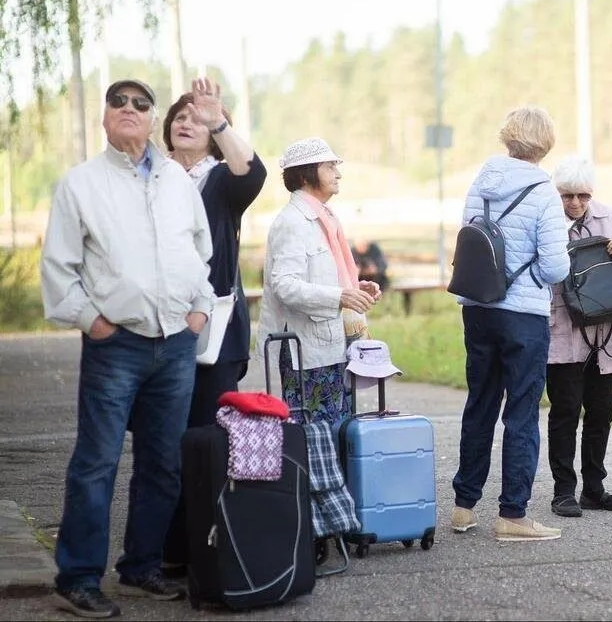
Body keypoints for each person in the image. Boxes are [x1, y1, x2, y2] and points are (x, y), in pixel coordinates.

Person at [40, 78, 215, 618]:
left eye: (141, 103)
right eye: (119, 101)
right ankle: (77, 578)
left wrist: (201, 310)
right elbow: (59, 270)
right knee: (96, 463)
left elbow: (200, 253)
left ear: (151, 115)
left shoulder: (176, 181)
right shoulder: (81, 184)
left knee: (163, 463)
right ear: (105, 116)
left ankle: (140, 568)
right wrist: (91, 321)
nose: (130, 109)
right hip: (116, 345)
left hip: (176, 346)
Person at [159, 77, 268, 578]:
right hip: (156, 325)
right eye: (179, 117)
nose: (186, 123)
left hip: (215, 331)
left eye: (194, 120)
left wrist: (218, 120)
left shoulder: (219, 182)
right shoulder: (152, 176)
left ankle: (206, 547)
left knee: (207, 435)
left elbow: (252, 172)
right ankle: (168, 549)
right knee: (163, 439)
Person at [449, 105, 570, 542]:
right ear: (545, 144)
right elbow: (556, 267)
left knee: (479, 403)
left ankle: (464, 506)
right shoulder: (542, 193)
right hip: (522, 315)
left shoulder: (477, 186)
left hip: (477, 307)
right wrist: (533, 275)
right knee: (521, 411)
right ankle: (513, 515)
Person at [254, 137, 382, 425]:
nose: (338, 174)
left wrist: (354, 288)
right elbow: (284, 284)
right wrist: (339, 297)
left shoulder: (323, 216)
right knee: (315, 435)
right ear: (305, 174)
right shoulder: (293, 222)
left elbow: (321, 273)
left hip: (331, 344)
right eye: (329, 166)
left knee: (338, 429)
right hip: (307, 349)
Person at [546, 155, 612, 518]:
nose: (575, 203)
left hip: (606, 332)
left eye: (582, 196)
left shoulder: (610, 217)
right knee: (566, 411)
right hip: (563, 332)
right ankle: (563, 491)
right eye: (567, 196)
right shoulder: (547, 220)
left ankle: (594, 488)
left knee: (601, 412)